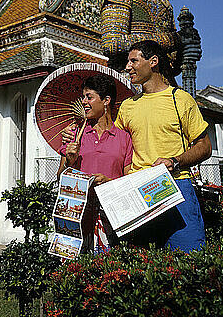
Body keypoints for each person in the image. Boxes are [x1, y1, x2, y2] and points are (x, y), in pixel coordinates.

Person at [62, 40, 212, 252]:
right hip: (139, 192)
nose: (128, 67)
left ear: (153, 62)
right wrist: (74, 132)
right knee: (141, 264)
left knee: (189, 258)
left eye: (134, 61)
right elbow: (109, 140)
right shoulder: (127, 106)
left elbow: (205, 146)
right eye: (127, 62)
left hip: (177, 185)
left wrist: (175, 161)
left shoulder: (181, 100)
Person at [57, 74, 133, 252]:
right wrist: (69, 161)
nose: (83, 102)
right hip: (79, 216)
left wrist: (109, 182)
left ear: (106, 100)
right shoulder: (73, 134)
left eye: (89, 97)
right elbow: (60, 178)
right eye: (83, 97)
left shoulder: (124, 138)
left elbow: (129, 179)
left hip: (113, 215)